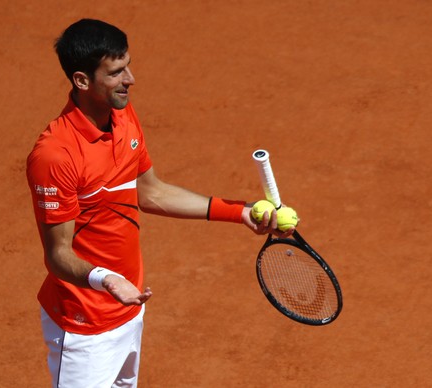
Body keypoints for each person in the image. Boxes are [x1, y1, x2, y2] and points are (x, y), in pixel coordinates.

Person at [26, 18, 291, 388]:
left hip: (129, 307)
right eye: (116, 72)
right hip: (85, 325)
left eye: (128, 66)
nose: (130, 79)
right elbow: (57, 254)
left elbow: (150, 192)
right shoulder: (55, 155)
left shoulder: (122, 115)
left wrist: (240, 211)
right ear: (82, 81)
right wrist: (107, 280)